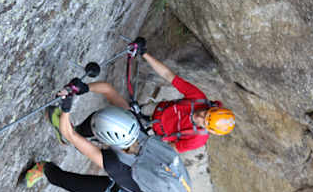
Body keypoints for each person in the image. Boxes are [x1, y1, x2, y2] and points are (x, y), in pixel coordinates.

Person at [50, 38, 236, 153]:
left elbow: (169, 150)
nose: (200, 115)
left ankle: (68, 134)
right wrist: (144, 53)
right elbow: (168, 75)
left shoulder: (197, 139)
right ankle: (78, 90)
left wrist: (137, 147)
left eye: (204, 120)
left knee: (104, 121)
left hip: (145, 134)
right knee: (107, 88)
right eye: (206, 113)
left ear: (209, 130)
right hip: (146, 117)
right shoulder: (198, 99)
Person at [21, 80, 148, 192]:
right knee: (84, 130)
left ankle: (43, 168)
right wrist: (83, 88)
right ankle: (73, 131)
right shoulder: (133, 124)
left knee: (63, 180)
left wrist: (66, 110)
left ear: (106, 141)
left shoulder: (116, 166)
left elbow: (71, 135)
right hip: (133, 168)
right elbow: (108, 89)